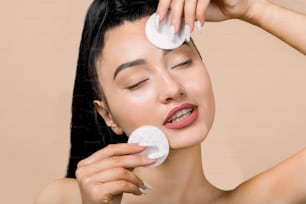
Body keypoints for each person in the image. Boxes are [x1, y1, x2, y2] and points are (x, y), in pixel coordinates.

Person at [35, 0, 306, 203]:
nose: (172, 88)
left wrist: (250, 9)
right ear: (107, 115)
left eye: (182, 62)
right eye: (137, 81)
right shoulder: (65, 199)